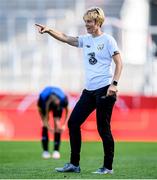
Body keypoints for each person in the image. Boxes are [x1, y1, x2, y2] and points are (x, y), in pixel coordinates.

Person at [35, 7, 122, 174]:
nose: (87, 25)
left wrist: (114, 84)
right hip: (89, 91)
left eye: (89, 22)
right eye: (85, 22)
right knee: (73, 123)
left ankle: (108, 167)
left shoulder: (108, 40)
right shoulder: (86, 40)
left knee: (103, 129)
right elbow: (67, 38)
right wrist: (49, 30)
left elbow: (119, 62)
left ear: (98, 22)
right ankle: (74, 165)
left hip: (105, 89)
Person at [37, 86, 69, 159]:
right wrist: (48, 126)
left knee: (57, 125)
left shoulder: (63, 99)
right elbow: (40, 111)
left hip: (57, 99)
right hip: (44, 105)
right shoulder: (42, 100)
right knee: (44, 124)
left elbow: (67, 111)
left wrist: (64, 124)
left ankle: (56, 151)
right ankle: (45, 151)